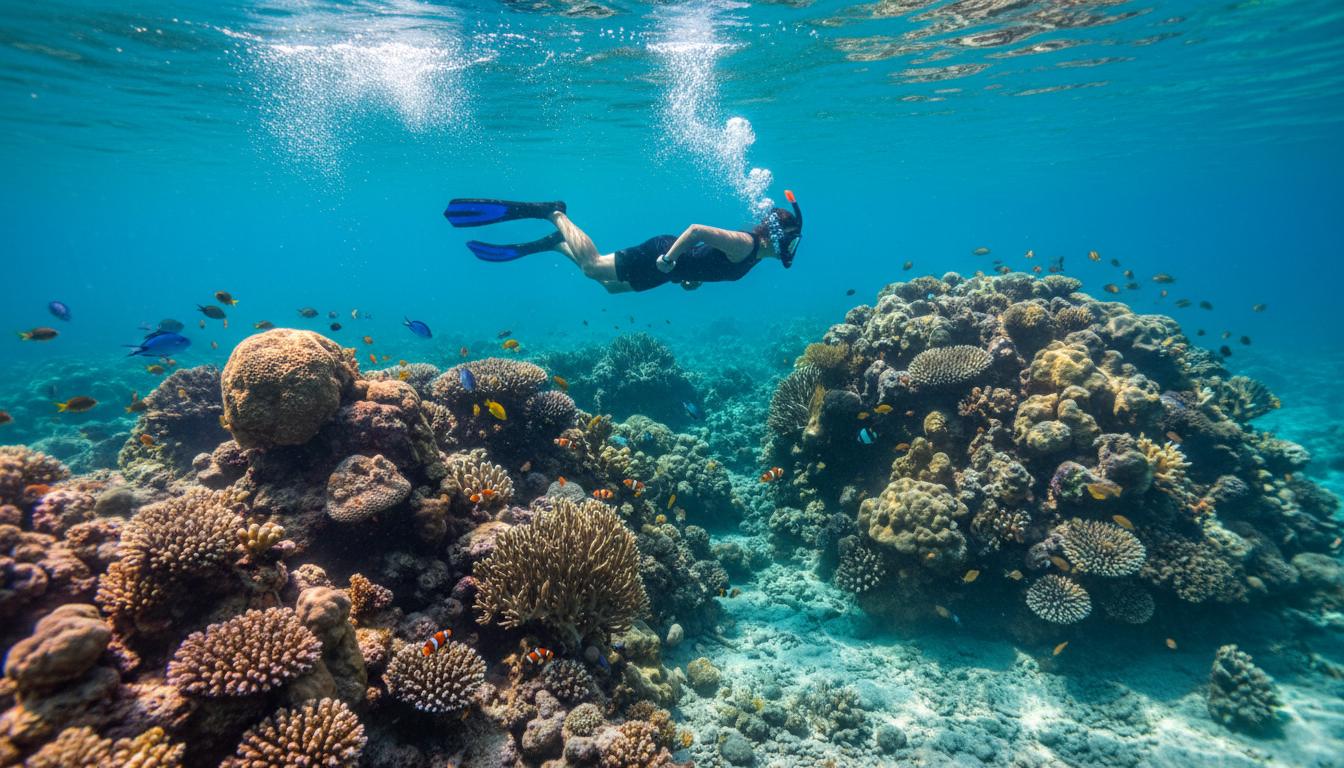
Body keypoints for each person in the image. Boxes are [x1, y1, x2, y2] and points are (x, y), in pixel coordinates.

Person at [443, 192, 803, 293]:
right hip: (663, 256)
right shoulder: (745, 244)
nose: (792, 248)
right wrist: (671, 259)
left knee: (608, 288)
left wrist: (692, 276)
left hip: (669, 273)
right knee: (593, 266)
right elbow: (694, 230)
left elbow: (709, 260)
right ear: (777, 236)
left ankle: (557, 242)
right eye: (792, 240)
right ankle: (553, 213)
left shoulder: (754, 256)